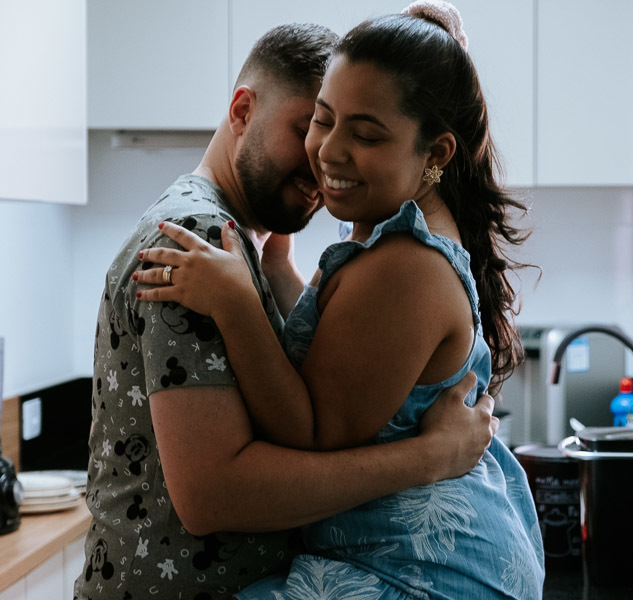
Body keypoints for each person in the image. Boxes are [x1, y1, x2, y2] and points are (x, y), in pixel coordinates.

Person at [75, 21, 499, 600]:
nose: (323, 154)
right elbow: (216, 490)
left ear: (433, 151)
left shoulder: (370, 255)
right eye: (314, 123)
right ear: (242, 111)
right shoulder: (200, 237)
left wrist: (264, 286)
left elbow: (325, 398)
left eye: (364, 132)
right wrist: (431, 456)